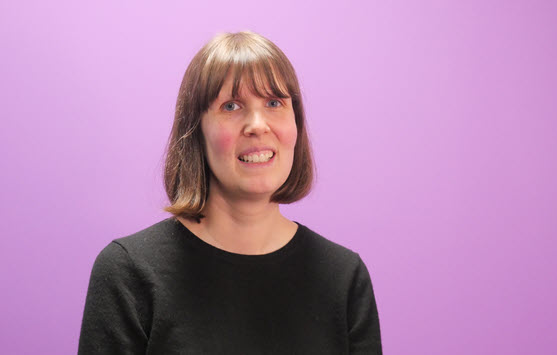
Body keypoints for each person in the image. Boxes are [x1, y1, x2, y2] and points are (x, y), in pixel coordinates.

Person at [78, 31, 382, 354]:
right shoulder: (128, 274)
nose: (257, 125)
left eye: (275, 102)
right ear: (196, 132)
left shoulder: (345, 277)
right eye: (232, 105)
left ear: (297, 125)